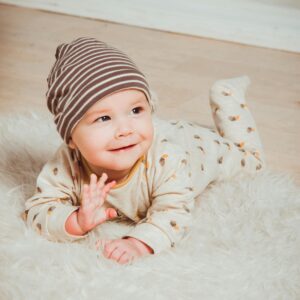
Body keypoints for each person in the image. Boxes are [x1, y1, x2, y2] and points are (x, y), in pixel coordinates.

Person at [24, 37, 265, 265]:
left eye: (136, 110)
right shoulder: (67, 163)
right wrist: (75, 220)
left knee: (251, 160)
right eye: (104, 118)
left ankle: (226, 96)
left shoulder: (169, 159)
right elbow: (38, 210)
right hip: (160, 133)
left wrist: (138, 244)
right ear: (71, 138)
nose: (125, 129)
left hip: (194, 145)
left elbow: (173, 213)